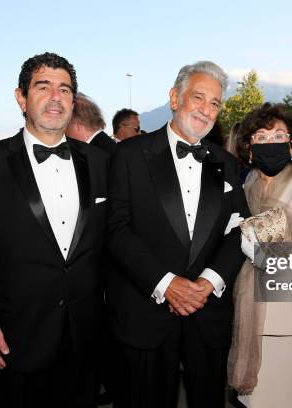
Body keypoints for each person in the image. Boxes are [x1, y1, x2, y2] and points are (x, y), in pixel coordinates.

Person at [0, 52, 110, 407]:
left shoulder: (102, 162)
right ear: (21, 97)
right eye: (44, 86)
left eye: (65, 89)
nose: (56, 97)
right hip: (12, 336)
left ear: (74, 101)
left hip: (85, 333)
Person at [107, 60, 249, 407]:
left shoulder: (224, 162)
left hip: (207, 312)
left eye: (215, 103)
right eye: (198, 98)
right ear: (175, 98)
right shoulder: (129, 154)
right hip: (148, 311)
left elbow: (240, 230)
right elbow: (116, 230)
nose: (206, 110)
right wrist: (166, 283)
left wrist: (208, 282)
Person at [228, 103, 292, 407]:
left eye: (279, 135)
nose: (270, 142)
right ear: (249, 149)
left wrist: (264, 253)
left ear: (290, 146)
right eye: (261, 136)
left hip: (291, 319)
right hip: (247, 317)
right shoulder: (240, 194)